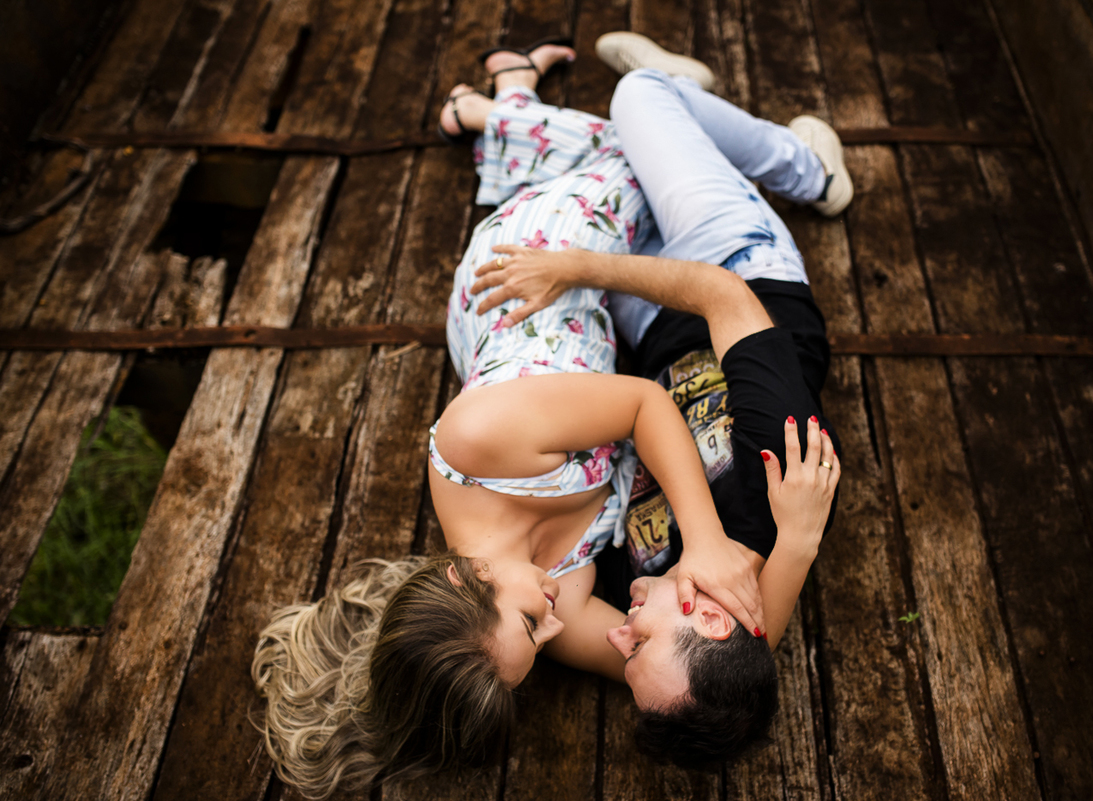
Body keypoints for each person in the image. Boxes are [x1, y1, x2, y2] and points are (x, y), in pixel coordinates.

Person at [252, 40, 773, 799]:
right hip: (557, 352)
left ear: (468, 574)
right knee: (628, 163)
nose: (561, 626)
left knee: (636, 144)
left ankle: (498, 112)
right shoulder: (537, 599)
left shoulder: (475, 445)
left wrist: (705, 539)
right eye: (539, 643)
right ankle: (508, 96)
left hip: (527, 283)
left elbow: (643, 403)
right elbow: (714, 668)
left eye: (532, 626)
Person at [466, 36, 848, 768]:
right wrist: (577, 268)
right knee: (637, 100)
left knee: (544, 215)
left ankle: (508, 104)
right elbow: (722, 298)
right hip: (734, 266)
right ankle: (815, 170)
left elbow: (746, 645)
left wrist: (790, 566)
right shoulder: (780, 486)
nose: (619, 635)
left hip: (642, 327)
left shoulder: (638, 583)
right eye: (637, 642)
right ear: (710, 615)